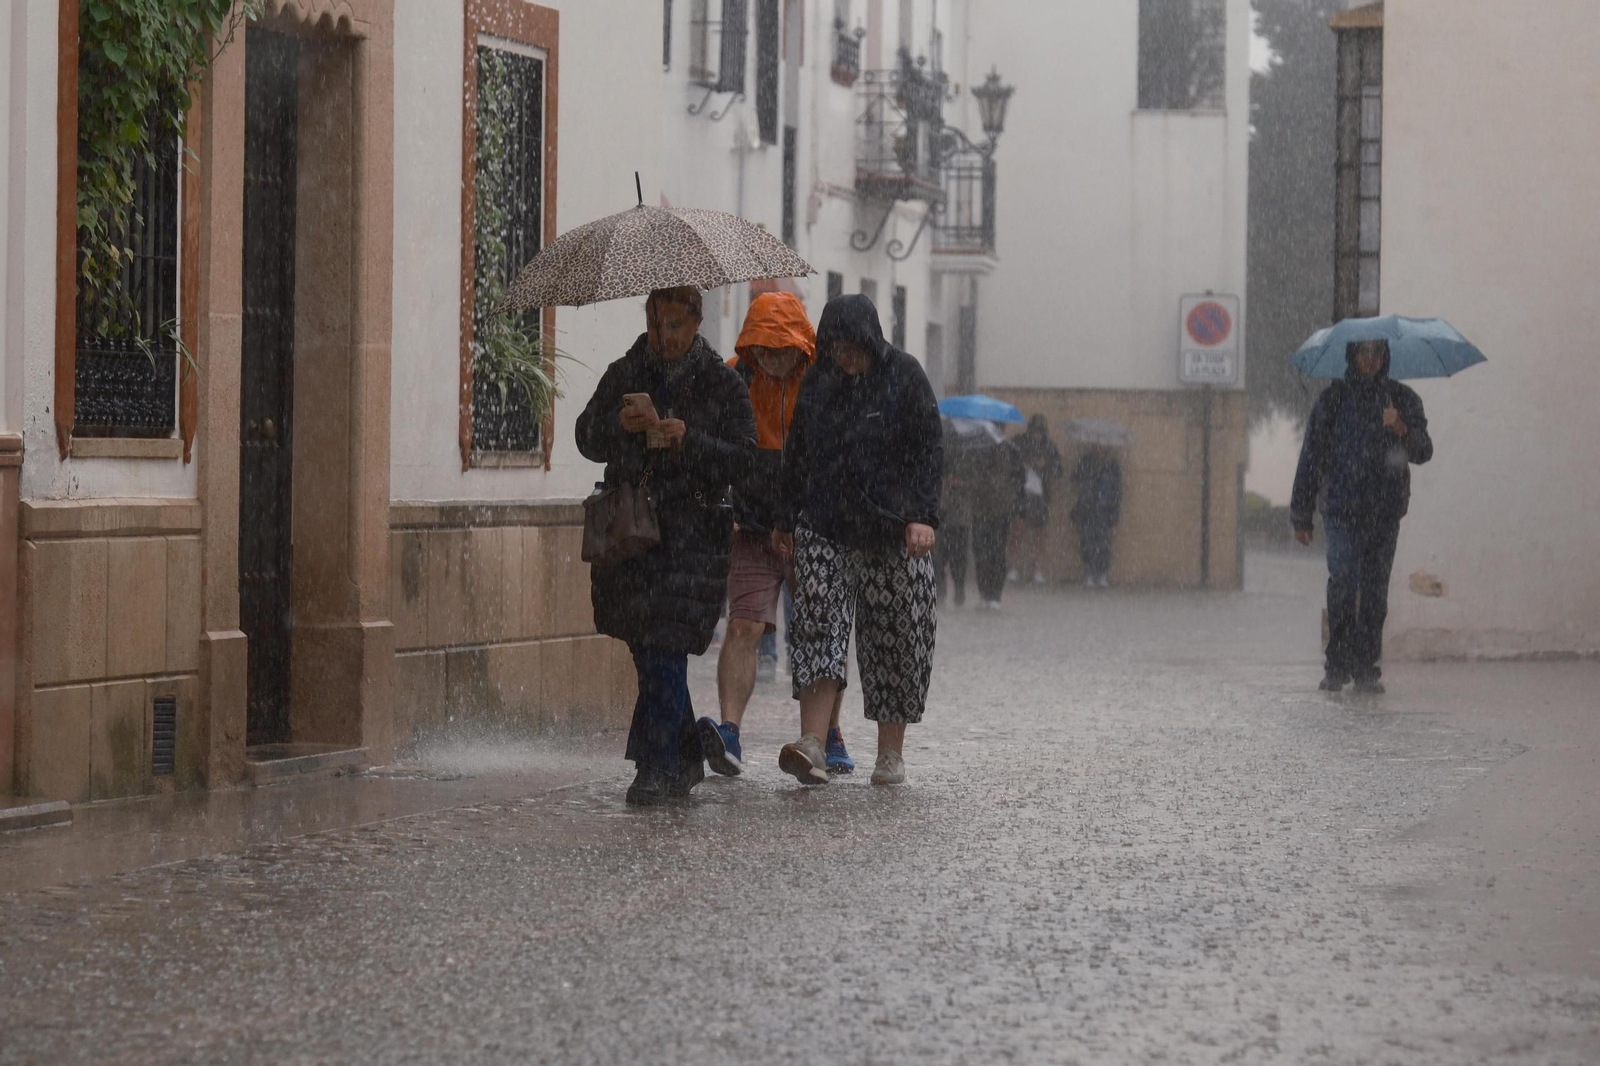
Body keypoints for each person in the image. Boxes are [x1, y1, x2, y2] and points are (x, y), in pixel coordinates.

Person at [575, 286, 756, 806]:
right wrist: (619, 426)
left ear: (697, 321)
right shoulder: (625, 371)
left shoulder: (722, 382)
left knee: (665, 644)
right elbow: (586, 437)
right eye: (659, 325)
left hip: (692, 538)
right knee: (648, 648)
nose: (666, 337)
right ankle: (689, 748)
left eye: (676, 325)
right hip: (632, 534)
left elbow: (743, 460)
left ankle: (652, 766)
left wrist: (689, 439)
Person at [774, 293, 942, 787]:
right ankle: (812, 744)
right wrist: (785, 520)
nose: (843, 360)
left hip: (891, 532)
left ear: (871, 342)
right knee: (816, 627)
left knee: (894, 640)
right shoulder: (819, 381)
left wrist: (922, 516)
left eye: (852, 350)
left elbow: (929, 449)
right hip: (826, 525)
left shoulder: (905, 376)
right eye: (835, 350)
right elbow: (797, 452)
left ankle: (890, 754)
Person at [697, 292, 855, 778]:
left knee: (820, 633)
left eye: (782, 349)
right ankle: (729, 732)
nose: (773, 358)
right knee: (744, 626)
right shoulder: (732, 379)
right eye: (763, 348)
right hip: (752, 526)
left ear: (801, 346)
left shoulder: (823, 384)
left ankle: (827, 732)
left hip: (815, 529)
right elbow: (715, 449)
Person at [1290, 339, 1432, 695]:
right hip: (1341, 508)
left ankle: (1366, 667)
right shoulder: (1333, 400)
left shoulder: (1403, 399)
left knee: (1374, 591)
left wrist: (1401, 428)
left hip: (1385, 512)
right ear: (1352, 356)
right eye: (1363, 353)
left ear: (1385, 357)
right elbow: (1311, 457)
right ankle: (1337, 664)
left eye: (1377, 353)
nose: (1370, 360)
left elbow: (1424, 450)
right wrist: (1301, 513)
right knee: (1342, 580)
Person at [969, 424, 1024, 610]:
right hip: (981, 510)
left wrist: (1011, 497)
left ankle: (994, 595)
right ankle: (985, 593)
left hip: (1000, 511)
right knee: (981, 553)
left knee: (996, 551)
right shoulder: (977, 450)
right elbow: (973, 476)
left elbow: (1019, 480)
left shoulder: (1011, 450)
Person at [1009, 414, 1063, 584]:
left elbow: (1058, 470)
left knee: (1040, 535)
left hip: (1041, 497)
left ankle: (1037, 569)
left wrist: (1045, 466)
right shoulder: (1018, 442)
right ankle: (1013, 567)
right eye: (1034, 431)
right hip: (1021, 494)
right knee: (1017, 531)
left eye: (1039, 431)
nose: (1036, 435)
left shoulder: (1050, 447)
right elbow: (1009, 463)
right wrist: (1021, 466)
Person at [934, 418, 976, 607]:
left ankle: (959, 589)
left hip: (959, 516)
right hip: (940, 514)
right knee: (938, 556)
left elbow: (977, 483)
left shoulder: (969, 457)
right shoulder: (936, 456)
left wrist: (961, 483)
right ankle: (940, 591)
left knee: (959, 556)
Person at [1070, 446, 1123, 587]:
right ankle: (1088, 572)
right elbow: (1075, 478)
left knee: (1104, 544)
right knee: (1087, 542)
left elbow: (1117, 490)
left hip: (1105, 511)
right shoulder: (1085, 461)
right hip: (1088, 509)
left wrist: (1114, 511)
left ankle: (1101, 573)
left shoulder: (1112, 465)